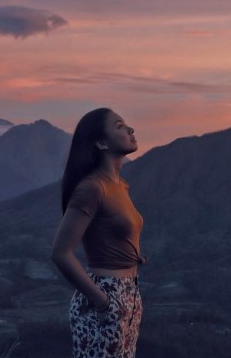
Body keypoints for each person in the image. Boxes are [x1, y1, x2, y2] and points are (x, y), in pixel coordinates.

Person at [51, 107, 148, 357]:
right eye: (119, 126)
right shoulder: (92, 188)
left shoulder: (119, 185)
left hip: (129, 294)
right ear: (102, 143)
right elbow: (61, 253)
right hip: (106, 296)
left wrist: (132, 256)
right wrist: (103, 302)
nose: (130, 129)